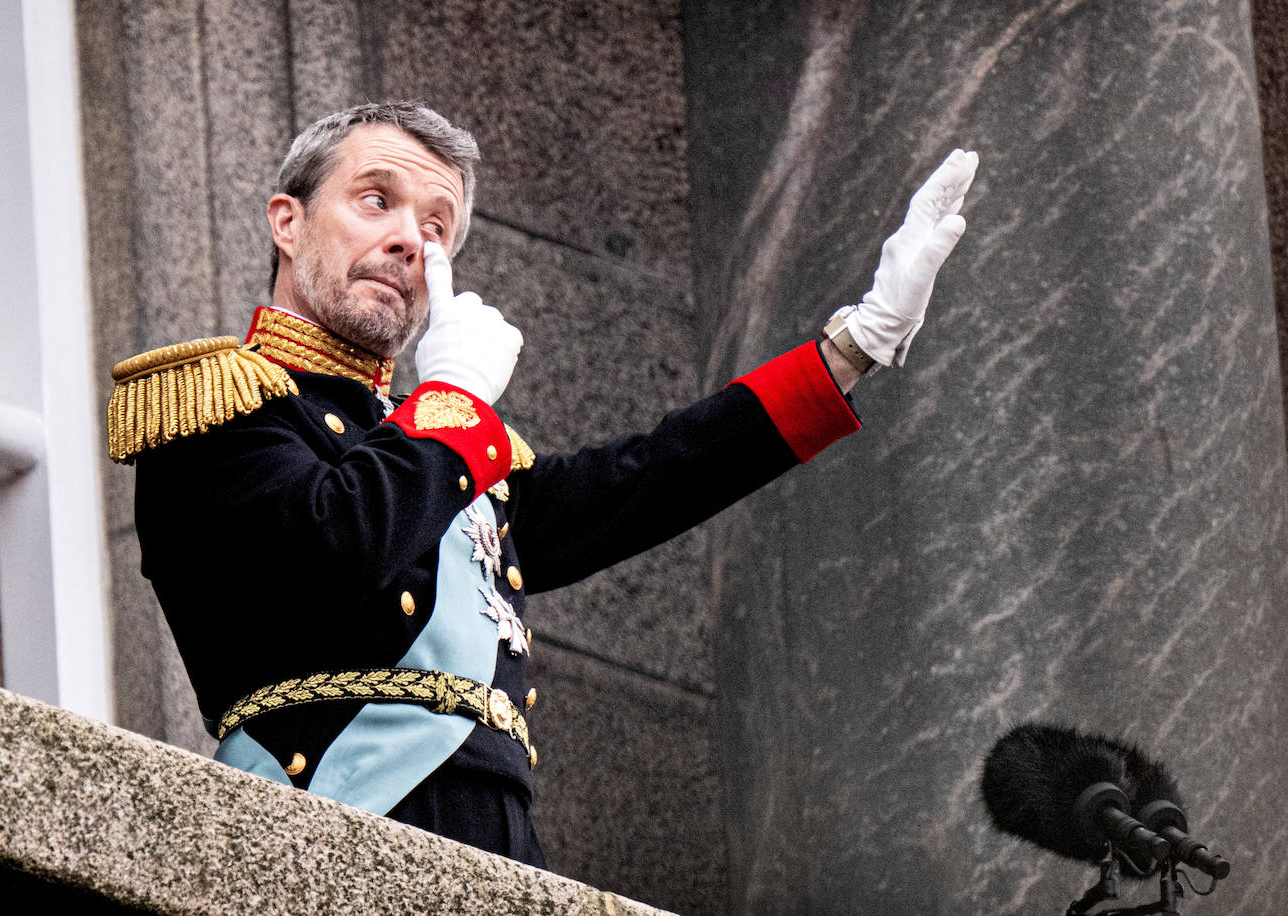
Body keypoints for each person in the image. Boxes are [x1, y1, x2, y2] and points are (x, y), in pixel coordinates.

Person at [106, 100, 977, 867]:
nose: (411, 239)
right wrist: (448, 403)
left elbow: (646, 479)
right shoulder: (214, 402)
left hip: (501, 844)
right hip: (318, 832)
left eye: (438, 227)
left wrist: (854, 347)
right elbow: (334, 546)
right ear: (287, 222)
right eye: (377, 201)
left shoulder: (441, 445)